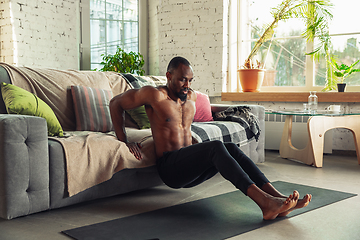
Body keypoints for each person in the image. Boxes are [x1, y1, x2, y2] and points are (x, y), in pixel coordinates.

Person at [110, 56, 311, 220]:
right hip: (170, 168)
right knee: (215, 146)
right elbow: (115, 103)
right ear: (169, 75)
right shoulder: (154, 95)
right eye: (182, 79)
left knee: (230, 147)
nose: (186, 85)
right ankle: (265, 203)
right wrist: (124, 139)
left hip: (190, 170)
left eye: (190, 80)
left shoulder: (192, 97)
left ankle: (279, 200)